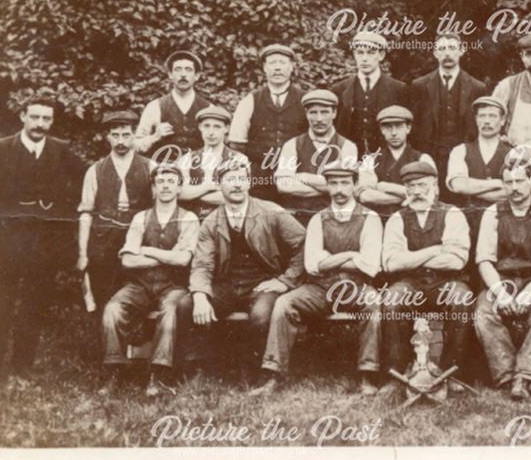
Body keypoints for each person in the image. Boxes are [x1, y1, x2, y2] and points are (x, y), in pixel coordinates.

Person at [0, 89, 84, 387]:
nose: (40, 123)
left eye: (46, 118)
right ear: (23, 117)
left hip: (42, 248)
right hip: (3, 247)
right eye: (34, 116)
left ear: (52, 121)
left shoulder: (61, 149)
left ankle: (23, 369)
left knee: (33, 308)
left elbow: (88, 181)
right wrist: (0, 229)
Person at [256, 161, 383, 396]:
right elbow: (312, 266)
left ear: (355, 185)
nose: (339, 190)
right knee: (285, 303)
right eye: (333, 183)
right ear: (327, 187)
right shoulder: (318, 219)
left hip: (356, 286)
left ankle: (368, 374)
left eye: (345, 183)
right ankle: (273, 374)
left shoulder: (370, 217)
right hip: (321, 288)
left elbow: (370, 265)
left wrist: (330, 259)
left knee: (374, 303)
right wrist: (350, 255)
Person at [177, 161, 306, 374]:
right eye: (230, 179)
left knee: (261, 316)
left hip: (263, 283)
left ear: (249, 183)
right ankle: (198, 368)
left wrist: (285, 281)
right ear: (219, 185)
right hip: (227, 284)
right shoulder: (211, 221)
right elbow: (202, 263)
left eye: (241, 179)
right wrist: (200, 294)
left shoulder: (271, 212)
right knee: (186, 305)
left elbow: (303, 245)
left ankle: (256, 371)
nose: (237, 185)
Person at [99, 163, 199, 397]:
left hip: (173, 285)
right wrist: (167, 257)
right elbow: (128, 261)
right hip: (139, 285)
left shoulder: (189, 218)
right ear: (153, 188)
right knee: (112, 309)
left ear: (179, 188)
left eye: (171, 182)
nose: (165, 186)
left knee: (171, 310)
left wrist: (147, 250)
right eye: (160, 182)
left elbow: (183, 260)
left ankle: (159, 375)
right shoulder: (140, 218)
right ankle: (114, 371)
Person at [379, 161, 475, 398]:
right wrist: (435, 251)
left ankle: (452, 372)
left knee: (461, 297)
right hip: (410, 283)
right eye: (410, 186)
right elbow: (391, 263)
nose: (417, 192)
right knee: (391, 298)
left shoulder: (452, 214)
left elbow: (456, 261)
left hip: (445, 281)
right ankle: (397, 373)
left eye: (422, 185)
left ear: (435, 185)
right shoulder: (397, 219)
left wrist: (410, 258)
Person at [474, 160, 531, 399]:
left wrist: (530, 291)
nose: (514, 187)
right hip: (502, 279)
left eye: (519, 181)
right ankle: (506, 374)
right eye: (509, 182)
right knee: (484, 313)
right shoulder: (493, 213)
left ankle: (526, 376)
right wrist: (500, 292)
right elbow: (484, 259)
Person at [77, 110, 154, 314]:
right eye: (116, 135)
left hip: (139, 241)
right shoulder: (95, 170)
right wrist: (83, 253)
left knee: (139, 297)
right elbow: (86, 213)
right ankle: (106, 345)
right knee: (103, 299)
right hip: (104, 243)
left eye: (126, 135)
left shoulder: (150, 167)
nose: (121, 141)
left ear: (134, 135)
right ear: (108, 137)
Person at [410, 33, 488, 199]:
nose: (447, 53)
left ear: (462, 51)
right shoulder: (419, 86)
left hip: (463, 158)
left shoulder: (477, 87)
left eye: (452, 48)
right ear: (435, 53)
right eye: (442, 49)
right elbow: (414, 126)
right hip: (429, 155)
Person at [228, 43, 308, 201]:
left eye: (282, 62)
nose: (277, 68)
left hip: (295, 176)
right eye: (272, 63)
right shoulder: (250, 100)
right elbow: (236, 144)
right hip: (259, 179)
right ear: (264, 68)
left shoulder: (305, 100)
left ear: (292, 67)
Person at [275, 89, 360, 226]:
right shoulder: (292, 145)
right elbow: (284, 186)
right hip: (297, 218)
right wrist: (328, 186)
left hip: (334, 220)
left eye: (324, 112)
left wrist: (303, 177)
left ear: (334, 113)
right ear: (307, 114)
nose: (319, 119)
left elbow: (345, 188)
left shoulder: (347, 146)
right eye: (313, 112)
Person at [446, 96, 513, 245]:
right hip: (467, 224)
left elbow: (512, 192)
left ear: (502, 121)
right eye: (482, 116)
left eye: (492, 116)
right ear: (476, 120)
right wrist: (497, 183)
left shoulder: (514, 153)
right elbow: (458, 185)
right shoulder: (460, 150)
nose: (487, 121)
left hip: (504, 222)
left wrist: (472, 188)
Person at [330, 30, 409, 157]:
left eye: (371, 53)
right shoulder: (339, 89)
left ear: (381, 55)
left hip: (385, 158)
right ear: (354, 55)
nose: (364, 59)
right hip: (348, 157)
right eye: (360, 53)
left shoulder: (399, 89)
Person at [356, 105, 436, 219]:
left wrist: (383, 186)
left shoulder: (423, 159)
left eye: (398, 126)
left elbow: (432, 195)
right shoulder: (370, 160)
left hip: (414, 218)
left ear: (408, 128)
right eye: (388, 127)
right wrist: (409, 197)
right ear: (382, 130)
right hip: (382, 219)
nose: (393, 133)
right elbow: (365, 196)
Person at [135, 50, 213, 161]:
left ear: (197, 76)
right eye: (177, 69)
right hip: (164, 172)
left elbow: (219, 148)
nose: (183, 74)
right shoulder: (155, 107)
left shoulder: (209, 109)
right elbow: (136, 146)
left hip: (197, 172)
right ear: (170, 74)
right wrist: (154, 137)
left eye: (188, 70)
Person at [179, 105, 249, 220]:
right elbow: (180, 193)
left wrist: (194, 193)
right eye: (206, 126)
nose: (211, 132)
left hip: (227, 219)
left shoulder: (238, 159)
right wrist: (209, 187)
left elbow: (236, 196)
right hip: (193, 219)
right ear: (200, 127)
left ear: (226, 128)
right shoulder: (187, 159)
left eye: (217, 127)